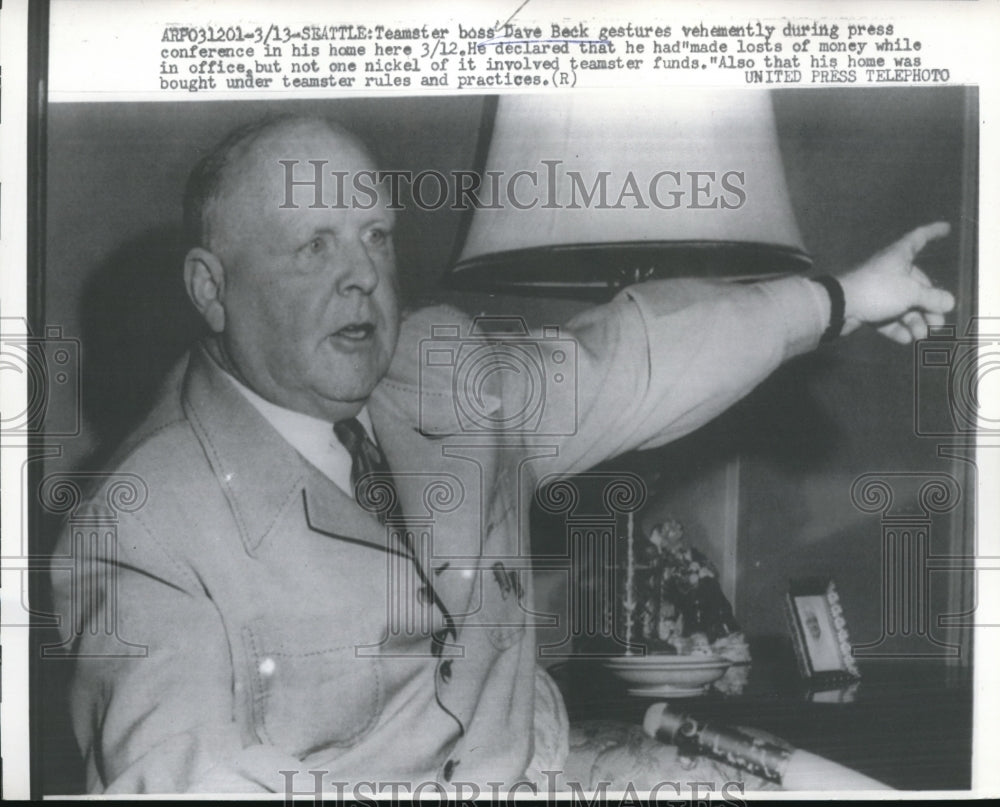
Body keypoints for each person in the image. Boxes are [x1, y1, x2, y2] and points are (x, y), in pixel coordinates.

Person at [49, 114, 954, 795]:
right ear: (212, 287)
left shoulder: (439, 372)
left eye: (375, 236)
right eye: (312, 246)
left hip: (555, 768)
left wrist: (842, 298)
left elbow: (633, 359)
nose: (360, 274)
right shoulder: (140, 528)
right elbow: (179, 780)